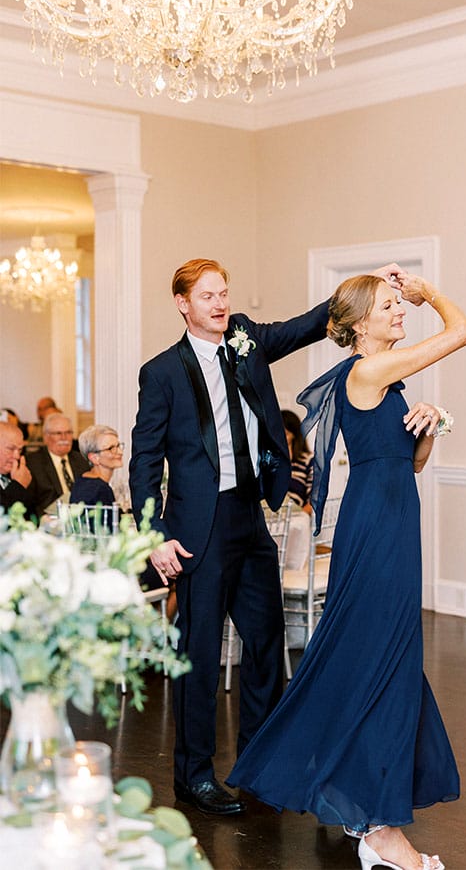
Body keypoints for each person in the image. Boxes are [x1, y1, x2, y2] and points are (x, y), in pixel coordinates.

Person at [129, 257, 398, 817]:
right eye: (207, 296)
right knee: (199, 657)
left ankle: (257, 760)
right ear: (183, 304)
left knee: (266, 644)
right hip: (195, 532)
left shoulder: (246, 337)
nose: (220, 304)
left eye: (223, 292)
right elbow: (144, 461)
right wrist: (152, 534)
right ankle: (193, 777)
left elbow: (306, 324)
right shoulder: (161, 373)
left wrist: (366, 285)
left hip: (250, 518)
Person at [227, 268, 466, 870]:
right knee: (386, 662)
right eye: (391, 307)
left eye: (402, 304)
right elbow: (464, 330)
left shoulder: (385, 382)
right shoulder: (368, 371)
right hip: (378, 528)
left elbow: (408, 462)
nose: (402, 312)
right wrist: (430, 293)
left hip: (391, 515)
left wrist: (432, 423)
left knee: (376, 658)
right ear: (360, 323)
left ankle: (362, 808)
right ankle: (383, 833)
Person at [26, 412, 89, 517]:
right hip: (48, 522)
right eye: (58, 433)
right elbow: (30, 504)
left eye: (68, 432)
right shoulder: (33, 463)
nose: (64, 438)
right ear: (46, 437)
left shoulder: (80, 460)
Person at [70, 424, 124, 511]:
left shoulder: (82, 480)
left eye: (118, 446)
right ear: (94, 458)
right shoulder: (101, 489)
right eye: (111, 448)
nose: (120, 452)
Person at [0, 420, 35, 516]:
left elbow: (29, 517)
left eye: (20, 450)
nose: (17, 456)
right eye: (11, 449)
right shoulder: (18, 479)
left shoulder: (17, 474)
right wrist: (18, 485)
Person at [281, 409, 313, 512]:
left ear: (293, 434)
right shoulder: (270, 459)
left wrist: (299, 517)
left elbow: (313, 500)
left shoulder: (308, 460)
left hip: (296, 518)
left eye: (284, 434)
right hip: (271, 518)